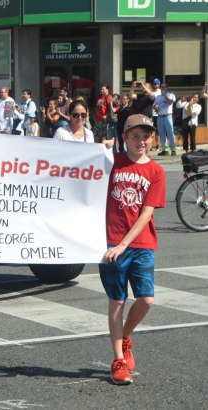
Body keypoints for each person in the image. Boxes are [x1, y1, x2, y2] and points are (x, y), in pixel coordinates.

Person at [99, 114, 166, 385]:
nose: (141, 141)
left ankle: (125, 337)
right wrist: (98, 149)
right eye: (135, 136)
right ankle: (118, 361)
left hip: (140, 244)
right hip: (109, 242)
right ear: (124, 138)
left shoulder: (155, 172)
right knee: (117, 301)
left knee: (146, 300)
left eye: (146, 136)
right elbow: (78, 172)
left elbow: (146, 214)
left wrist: (123, 244)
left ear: (152, 139)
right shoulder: (112, 162)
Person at [154, 83, 177, 156]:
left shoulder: (171, 95)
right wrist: (156, 107)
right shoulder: (158, 97)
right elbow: (155, 105)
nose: (162, 88)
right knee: (162, 134)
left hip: (168, 116)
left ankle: (173, 149)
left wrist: (165, 95)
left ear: (167, 88)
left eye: (163, 87)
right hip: (160, 116)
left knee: (170, 133)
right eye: (161, 87)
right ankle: (165, 150)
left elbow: (170, 103)